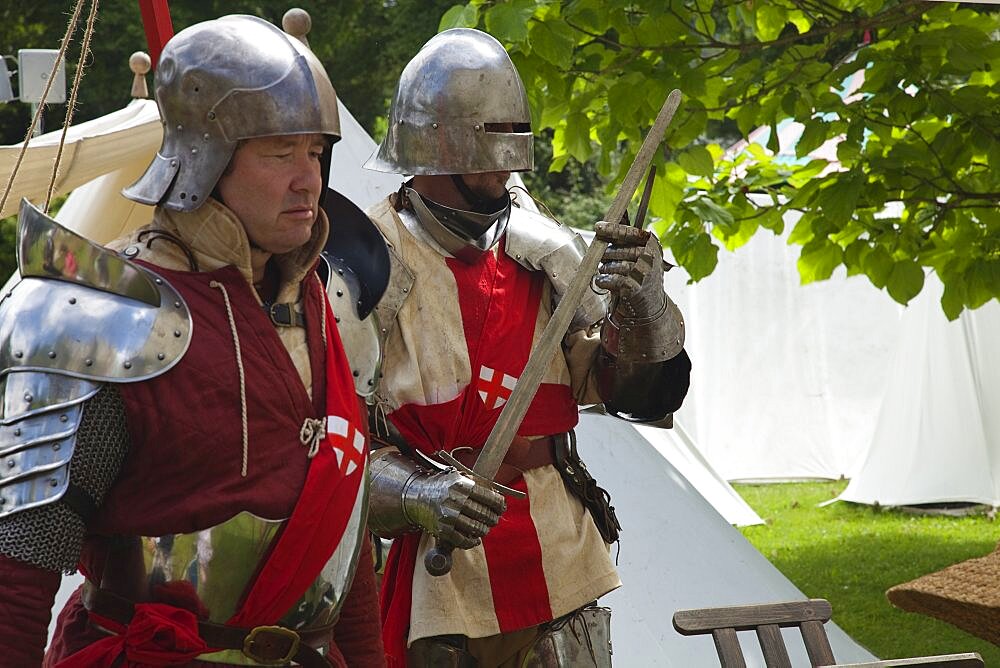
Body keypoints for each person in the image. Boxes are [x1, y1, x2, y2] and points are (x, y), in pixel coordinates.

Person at [0, 15, 386, 667]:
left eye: (315, 153)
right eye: (279, 153)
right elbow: (17, 572)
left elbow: (341, 529)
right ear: (206, 157)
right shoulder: (100, 314)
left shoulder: (318, 301)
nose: (308, 179)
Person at [362, 28, 692, 667]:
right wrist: (417, 496)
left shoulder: (546, 249)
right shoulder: (368, 259)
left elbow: (633, 396)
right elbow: (335, 440)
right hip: (436, 559)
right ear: (438, 144)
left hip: (558, 551)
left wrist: (644, 310)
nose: (509, 162)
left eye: (516, 139)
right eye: (492, 141)